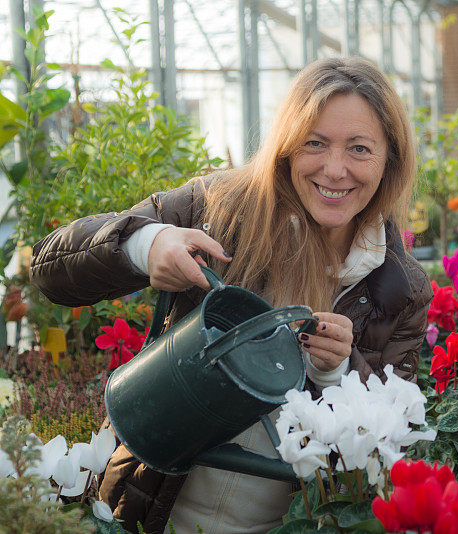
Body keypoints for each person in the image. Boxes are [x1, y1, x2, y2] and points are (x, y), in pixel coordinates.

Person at [30, 57, 433, 534]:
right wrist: (147, 244)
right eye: (315, 143)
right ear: (286, 147)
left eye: (360, 148)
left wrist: (336, 373)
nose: (335, 169)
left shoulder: (398, 288)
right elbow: (49, 269)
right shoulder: (219, 209)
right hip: (155, 510)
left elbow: (391, 442)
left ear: (390, 160)